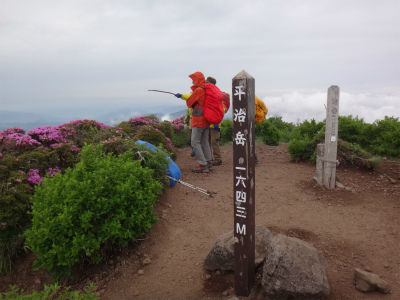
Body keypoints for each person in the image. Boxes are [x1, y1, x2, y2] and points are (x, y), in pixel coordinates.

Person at [175, 72, 213, 173]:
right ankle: (209, 162)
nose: (192, 81)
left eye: (193, 79)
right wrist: (182, 95)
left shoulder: (199, 90)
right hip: (206, 119)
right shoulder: (206, 89)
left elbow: (189, 102)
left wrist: (183, 97)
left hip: (198, 120)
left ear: (197, 80)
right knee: (204, 142)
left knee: (195, 143)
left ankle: (203, 164)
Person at [205, 76, 223, 166]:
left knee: (213, 142)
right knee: (208, 141)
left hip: (214, 124)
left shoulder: (215, 94)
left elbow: (220, 110)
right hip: (209, 123)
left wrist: (216, 123)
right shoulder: (212, 93)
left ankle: (218, 159)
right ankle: (210, 158)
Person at [255, 95, 268, 163]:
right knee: (249, 140)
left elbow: (265, 110)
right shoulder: (258, 101)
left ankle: (253, 157)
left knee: (248, 140)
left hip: (251, 122)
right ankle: (253, 158)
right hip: (253, 122)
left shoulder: (257, 101)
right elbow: (265, 110)